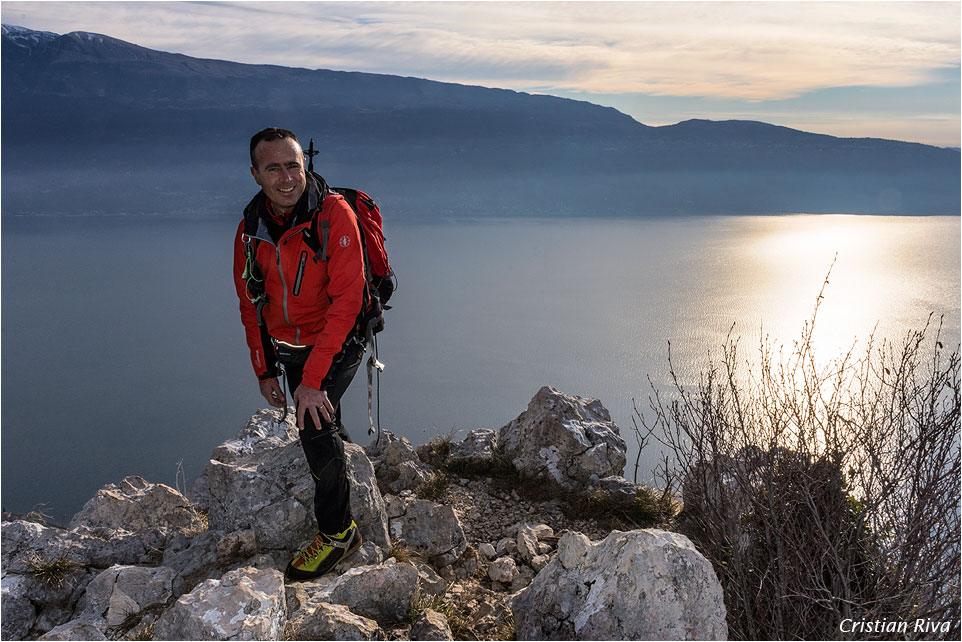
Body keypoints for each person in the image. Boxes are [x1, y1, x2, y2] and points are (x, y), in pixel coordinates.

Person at [233, 127, 366, 580]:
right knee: (324, 419)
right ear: (255, 174)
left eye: (294, 165)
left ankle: (338, 533)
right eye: (274, 168)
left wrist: (311, 382)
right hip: (287, 347)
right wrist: (263, 369)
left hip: (338, 340)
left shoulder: (334, 216)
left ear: (305, 165)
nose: (287, 177)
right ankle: (351, 472)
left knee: (313, 425)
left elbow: (348, 302)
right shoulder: (251, 227)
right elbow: (250, 302)